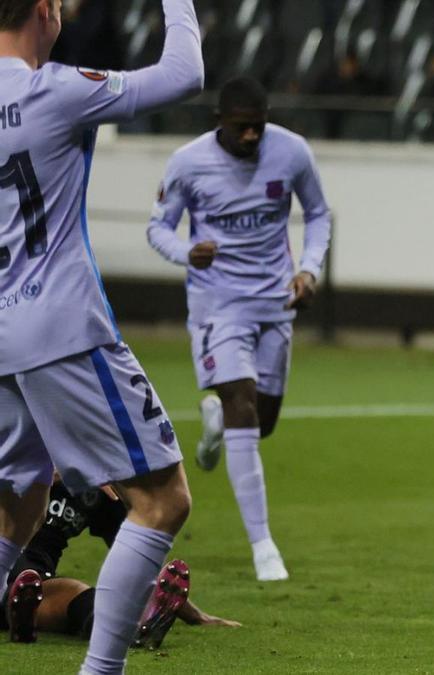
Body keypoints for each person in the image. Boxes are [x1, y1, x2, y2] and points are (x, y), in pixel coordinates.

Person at [0, 0, 203, 672]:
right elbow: (183, 72)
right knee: (162, 497)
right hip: (59, 326)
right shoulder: (54, 88)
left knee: (16, 505)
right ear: (44, 12)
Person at [147, 76, 332, 582]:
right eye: (241, 128)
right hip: (217, 306)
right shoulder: (189, 162)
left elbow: (317, 213)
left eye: (258, 127)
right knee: (243, 402)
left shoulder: (291, 152)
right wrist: (187, 252)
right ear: (219, 124)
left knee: (261, 421)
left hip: (275, 302)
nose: (252, 137)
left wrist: (310, 268)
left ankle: (215, 423)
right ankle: (263, 545)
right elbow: (157, 226)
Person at [2, 479, 239, 645]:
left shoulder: (96, 487)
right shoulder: (17, 444)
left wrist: (193, 615)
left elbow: (138, 552)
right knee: (30, 587)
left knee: (67, 591)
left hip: (32, 584)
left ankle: (134, 629)